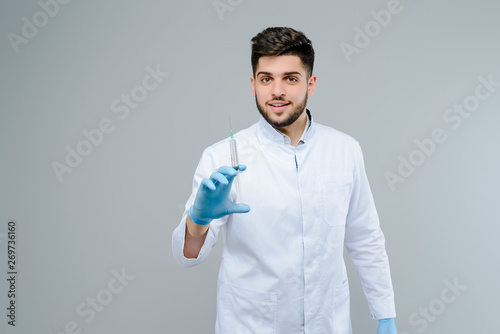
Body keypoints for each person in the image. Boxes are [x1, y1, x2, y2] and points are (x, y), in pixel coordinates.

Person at [172, 27, 397, 334]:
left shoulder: (345, 150)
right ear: (253, 84)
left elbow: (365, 238)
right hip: (251, 325)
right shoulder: (222, 157)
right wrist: (198, 219)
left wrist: (385, 314)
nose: (277, 91)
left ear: (311, 84)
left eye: (290, 78)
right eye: (266, 79)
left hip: (328, 325)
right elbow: (188, 258)